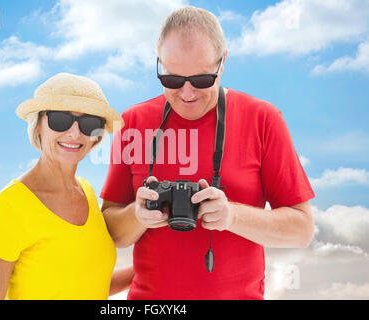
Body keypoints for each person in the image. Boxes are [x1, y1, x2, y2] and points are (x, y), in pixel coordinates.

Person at [100, 6, 315, 299]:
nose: (187, 94)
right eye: (172, 81)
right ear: (159, 64)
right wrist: (137, 216)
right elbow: (112, 234)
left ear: (223, 62)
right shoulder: (133, 122)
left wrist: (231, 216)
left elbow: (301, 231)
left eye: (202, 80)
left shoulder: (263, 119)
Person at [0, 73, 133, 299]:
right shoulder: (6, 208)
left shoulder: (87, 193)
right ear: (37, 125)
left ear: (96, 137)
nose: (75, 133)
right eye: (60, 120)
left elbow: (82, 285)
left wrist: (145, 271)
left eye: (88, 124)